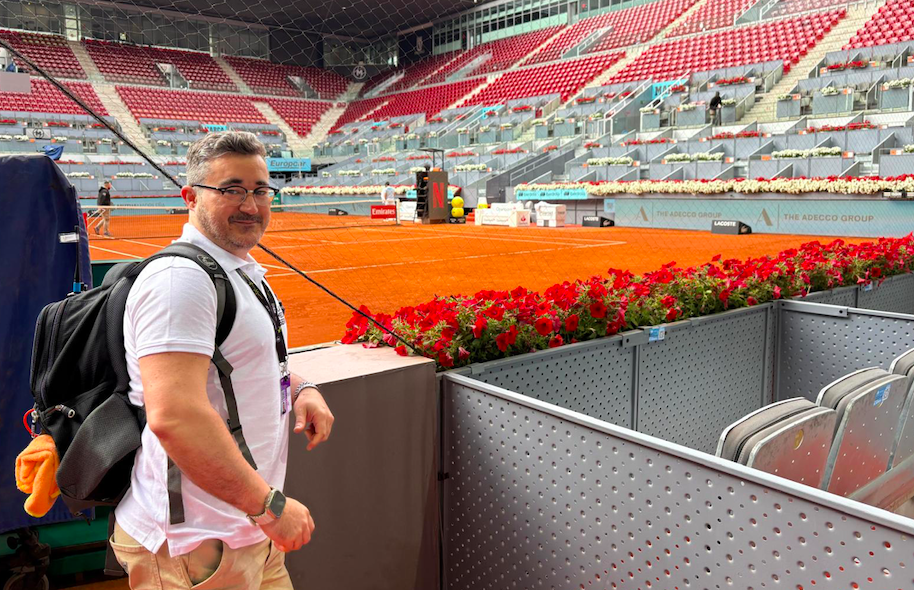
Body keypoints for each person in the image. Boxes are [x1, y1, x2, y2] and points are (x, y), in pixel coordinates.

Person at [110, 131, 334, 589]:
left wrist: (301, 386)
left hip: (245, 529)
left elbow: (249, 363)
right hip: (196, 547)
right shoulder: (181, 280)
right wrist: (269, 507)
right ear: (190, 196)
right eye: (231, 190)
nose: (250, 204)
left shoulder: (238, 268)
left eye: (259, 190)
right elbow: (176, 416)